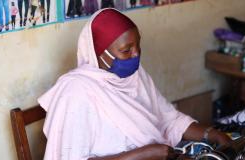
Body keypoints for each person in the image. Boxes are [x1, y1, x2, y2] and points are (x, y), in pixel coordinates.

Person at [38, 8, 231, 160]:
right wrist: (143, 154)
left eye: (138, 45)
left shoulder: (136, 76)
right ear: (100, 54)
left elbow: (168, 119)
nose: (136, 54)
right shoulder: (76, 92)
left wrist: (211, 135)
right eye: (126, 50)